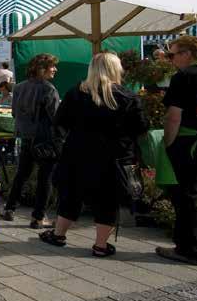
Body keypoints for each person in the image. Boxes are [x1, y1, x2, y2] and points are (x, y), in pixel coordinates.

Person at [40, 52, 148, 256]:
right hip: (114, 157)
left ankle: (59, 234)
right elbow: (141, 127)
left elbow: (60, 122)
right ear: (117, 69)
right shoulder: (127, 96)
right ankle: (100, 245)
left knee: (71, 195)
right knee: (108, 199)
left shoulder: (76, 93)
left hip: (77, 153)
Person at [156, 36, 197, 265]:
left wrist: (169, 144)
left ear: (188, 54)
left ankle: (189, 249)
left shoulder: (184, 77)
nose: (171, 60)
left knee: (186, 197)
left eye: (173, 55)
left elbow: (174, 116)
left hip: (190, 143)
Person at [0, 54, 61, 229]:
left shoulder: (18, 88)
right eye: (52, 66)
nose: (55, 69)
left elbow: (13, 114)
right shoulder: (49, 89)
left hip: (25, 137)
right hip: (45, 139)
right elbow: (56, 117)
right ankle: (38, 217)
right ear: (42, 68)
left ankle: (9, 209)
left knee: (22, 174)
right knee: (45, 178)